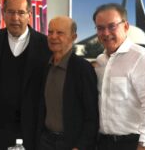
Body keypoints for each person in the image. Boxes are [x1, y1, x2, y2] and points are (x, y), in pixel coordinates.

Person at [0, 0, 51, 150]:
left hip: (30, 132)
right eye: (10, 12)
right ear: (3, 13)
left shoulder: (45, 45)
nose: (15, 18)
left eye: (21, 13)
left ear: (29, 15)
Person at [93, 3, 145, 150]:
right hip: (104, 143)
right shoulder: (100, 62)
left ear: (126, 26)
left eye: (112, 26)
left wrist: (144, 143)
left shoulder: (142, 58)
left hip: (134, 143)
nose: (106, 33)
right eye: (100, 28)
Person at [38, 16, 99, 150]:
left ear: (73, 37)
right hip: (45, 142)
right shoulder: (44, 67)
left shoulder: (83, 69)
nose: (53, 37)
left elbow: (92, 116)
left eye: (60, 33)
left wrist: (80, 147)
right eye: (50, 32)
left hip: (71, 144)